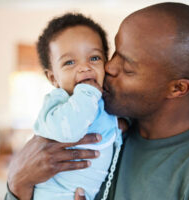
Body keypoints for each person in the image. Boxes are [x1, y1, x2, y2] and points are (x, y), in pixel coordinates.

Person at [6, 2, 189, 200]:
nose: (108, 68)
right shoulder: (101, 127)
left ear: (177, 88)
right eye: (114, 53)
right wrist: (18, 184)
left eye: (128, 67)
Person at [29, 13, 123, 200]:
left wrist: (119, 128)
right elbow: (70, 131)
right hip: (55, 194)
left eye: (94, 58)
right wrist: (87, 92)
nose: (84, 67)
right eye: (69, 62)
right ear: (53, 78)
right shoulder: (58, 102)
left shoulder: (103, 101)